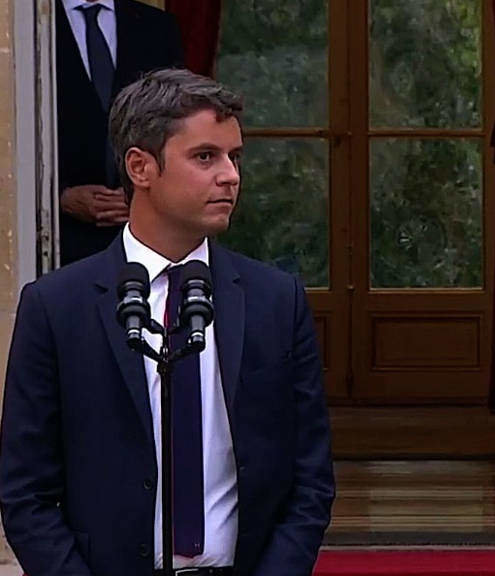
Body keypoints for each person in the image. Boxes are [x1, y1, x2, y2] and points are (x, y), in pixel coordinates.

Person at [0, 69, 335, 576]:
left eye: (234, 157)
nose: (231, 175)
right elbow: (25, 490)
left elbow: (310, 476)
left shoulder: (275, 300)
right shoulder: (57, 307)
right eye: (206, 157)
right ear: (140, 167)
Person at [57, 0, 184, 265]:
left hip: (146, 239)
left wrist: (147, 192)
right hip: (55, 241)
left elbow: (177, 122)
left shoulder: (156, 26)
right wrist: (59, 197)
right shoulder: (31, 26)